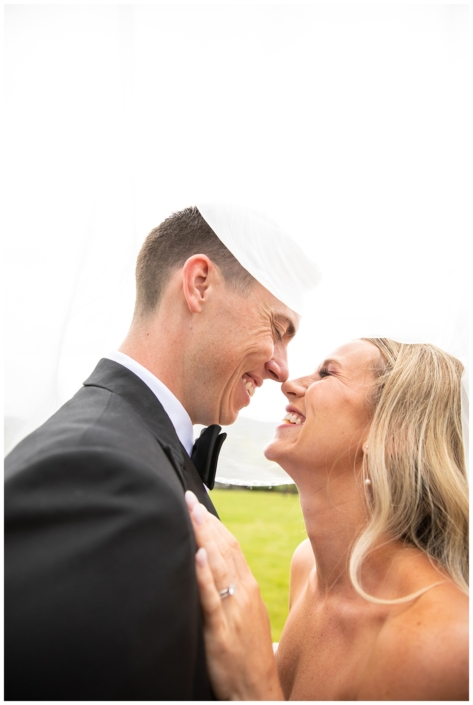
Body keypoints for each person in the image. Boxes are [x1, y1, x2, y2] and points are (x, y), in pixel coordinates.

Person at [4, 204, 320, 700]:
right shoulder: (95, 473)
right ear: (199, 285)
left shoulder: (128, 447)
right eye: (277, 328)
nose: (282, 368)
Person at [186, 337, 469, 701]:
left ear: (392, 432)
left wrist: (253, 683)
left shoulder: (444, 640)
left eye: (327, 373)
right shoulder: (306, 567)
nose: (289, 384)